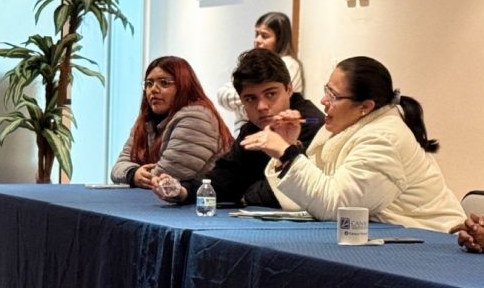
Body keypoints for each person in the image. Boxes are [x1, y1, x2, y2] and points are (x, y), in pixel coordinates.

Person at [240, 56, 465, 232]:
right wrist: (291, 148)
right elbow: (308, 201)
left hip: (434, 244)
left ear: (365, 107)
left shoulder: (384, 139)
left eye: (333, 96)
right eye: (326, 90)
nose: (323, 101)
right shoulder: (341, 127)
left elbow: (335, 207)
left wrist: (286, 152)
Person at [152, 49, 324, 206]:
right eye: (250, 99)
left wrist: (243, 194)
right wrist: (184, 191)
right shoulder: (252, 127)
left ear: (289, 89)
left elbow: (293, 189)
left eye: (270, 94)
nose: (261, 106)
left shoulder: (310, 123)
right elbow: (227, 175)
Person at [110, 56, 233, 188]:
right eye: (149, 83)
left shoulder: (196, 117)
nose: (153, 89)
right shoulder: (146, 120)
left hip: (205, 200)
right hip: (166, 197)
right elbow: (118, 167)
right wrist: (133, 174)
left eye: (164, 83)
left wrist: (139, 176)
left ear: (183, 86)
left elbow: (168, 175)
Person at [217, 12, 304, 128]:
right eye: (256, 34)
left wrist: (244, 105)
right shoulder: (255, 63)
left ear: (280, 39)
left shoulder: (289, 64)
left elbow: (259, 111)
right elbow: (221, 95)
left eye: (264, 36)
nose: (257, 40)